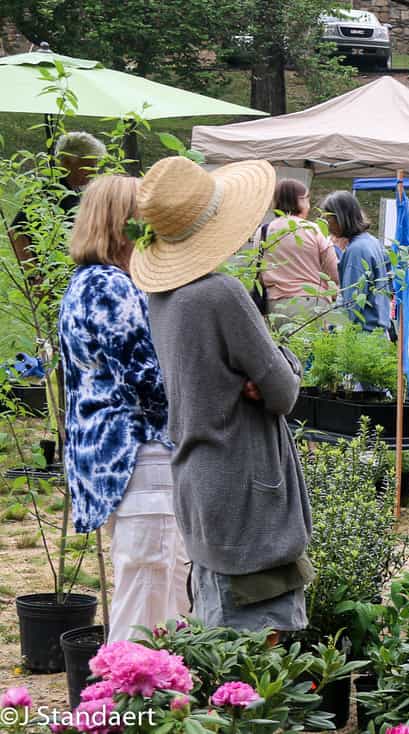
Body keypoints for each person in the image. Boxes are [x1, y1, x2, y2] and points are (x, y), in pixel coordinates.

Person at [133, 156, 313, 633]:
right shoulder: (220, 294)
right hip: (246, 487)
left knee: (217, 629)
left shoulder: (163, 299)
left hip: (200, 481)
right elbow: (282, 391)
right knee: (262, 653)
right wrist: (283, 363)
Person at [58, 175, 188, 644]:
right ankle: (125, 706)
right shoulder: (110, 287)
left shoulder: (85, 283)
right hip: (139, 452)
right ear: (123, 224)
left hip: (116, 456)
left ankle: (159, 700)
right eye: (146, 218)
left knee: (160, 588)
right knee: (149, 591)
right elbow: (148, 381)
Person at [8, 131, 107, 267]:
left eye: (96, 165)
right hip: (52, 279)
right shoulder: (49, 193)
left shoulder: (76, 192)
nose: (94, 171)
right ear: (66, 162)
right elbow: (17, 232)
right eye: (89, 165)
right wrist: (34, 275)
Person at [259, 179, 340, 323]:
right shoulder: (313, 229)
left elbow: (258, 272)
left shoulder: (263, 231)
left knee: (279, 345)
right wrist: (333, 293)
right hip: (311, 302)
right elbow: (333, 269)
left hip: (275, 306)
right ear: (299, 201)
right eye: (307, 199)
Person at [322, 191, 391, 333]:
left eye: (329, 220)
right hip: (378, 329)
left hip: (362, 332)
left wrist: (334, 332)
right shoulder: (372, 242)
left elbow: (351, 303)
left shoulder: (356, 250)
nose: (328, 225)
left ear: (341, 218)